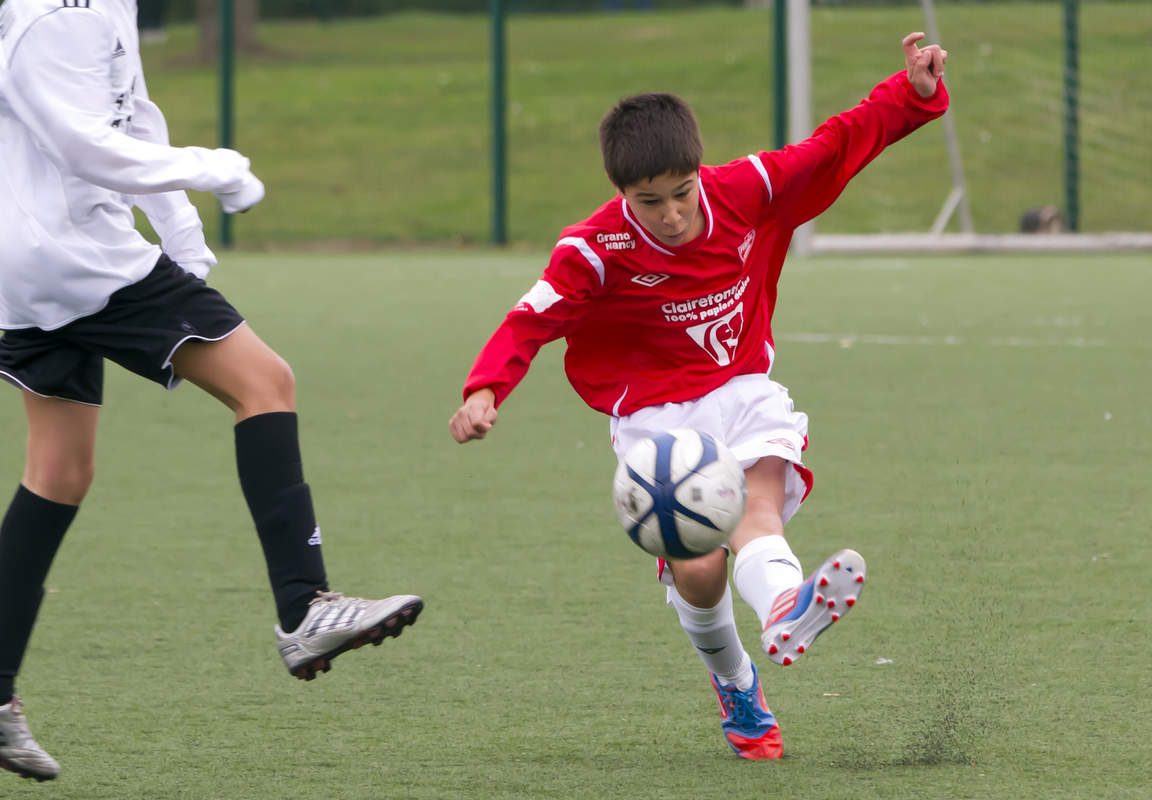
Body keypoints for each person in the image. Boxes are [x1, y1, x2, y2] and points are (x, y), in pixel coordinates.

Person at [450, 32, 948, 759]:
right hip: (654, 423)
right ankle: (737, 684)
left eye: (681, 193)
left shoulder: (748, 189)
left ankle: (784, 605)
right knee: (700, 569)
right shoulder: (593, 250)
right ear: (623, 194)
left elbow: (835, 146)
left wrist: (912, 94)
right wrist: (486, 389)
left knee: (758, 504)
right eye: (649, 202)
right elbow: (531, 319)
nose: (672, 214)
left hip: (741, 389)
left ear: (698, 172)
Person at [0, 0, 422, 782]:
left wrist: (182, 234)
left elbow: (130, 116)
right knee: (264, 381)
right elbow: (80, 145)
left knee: (57, 473)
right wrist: (210, 168)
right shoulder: (62, 13)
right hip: (75, 253)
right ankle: (304, 608)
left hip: (23, 266)